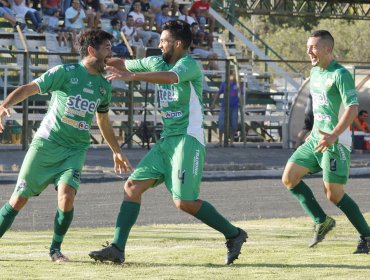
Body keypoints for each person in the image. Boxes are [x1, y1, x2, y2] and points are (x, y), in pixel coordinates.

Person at [89, 20, 247, 265]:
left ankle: (234, 234)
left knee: (183, 202)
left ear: (179, 44)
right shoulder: (156, 61)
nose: (160, 44)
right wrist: (95, 61)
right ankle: (117, 248)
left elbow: (170, 78)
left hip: (188, 140)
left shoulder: (189, 65)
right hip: (167, 142)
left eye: (164, 41)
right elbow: (122, 63)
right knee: (132, 187)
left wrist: (133, 75)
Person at [0, 29, 133, 263]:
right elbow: (30, 88)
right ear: (92, 50)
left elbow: (102, 120)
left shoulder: (104, 85)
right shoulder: (64, 72)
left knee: (67, 196)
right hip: (46, 144)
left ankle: (55, 249)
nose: (111, 55)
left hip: (75, 150)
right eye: (107, 49)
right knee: (18, 199)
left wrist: (116, 150)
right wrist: (4, 104)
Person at [282, 30, 370, 254]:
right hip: (316, 140)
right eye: (308, 46)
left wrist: (333, 135)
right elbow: (320, 109)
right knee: (290, 177)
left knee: (334, 194)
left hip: (336, 141)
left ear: (327, 49)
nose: (308, 51)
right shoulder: (314, 72)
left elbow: (352, 108)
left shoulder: (340, 74)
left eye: (313, 47)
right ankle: (321, 220)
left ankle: (367, 236)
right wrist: (311, 130)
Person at [211, 71, 241, 147]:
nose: (232, 77)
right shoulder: (224, 84)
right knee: (221, 123)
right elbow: (218, 93)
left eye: (233, 75)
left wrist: (242, 105)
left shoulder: (238, 85)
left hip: (234, 106)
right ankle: (220, 141)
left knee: (233, 124)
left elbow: (242, 95)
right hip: (224, 106)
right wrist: (214, 103)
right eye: (231, 75)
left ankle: (231, 142)